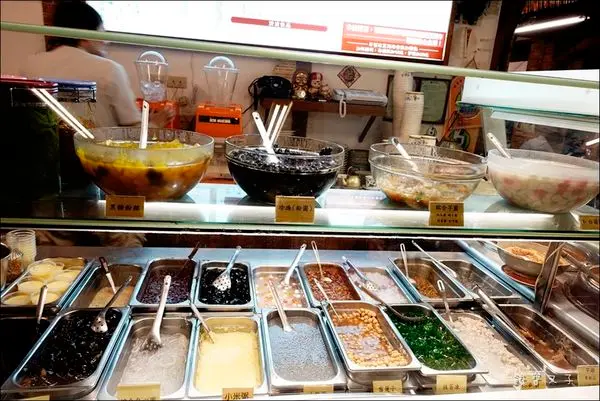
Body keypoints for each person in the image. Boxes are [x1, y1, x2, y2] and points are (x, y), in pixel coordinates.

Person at [20, 1, 172, 128]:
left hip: (43, 153)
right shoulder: (109, 70)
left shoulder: (30, 65)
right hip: (93, 154)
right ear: (86, 34)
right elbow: (132, 134)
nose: (106, 40)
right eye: (102, 32)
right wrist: (155, 123)